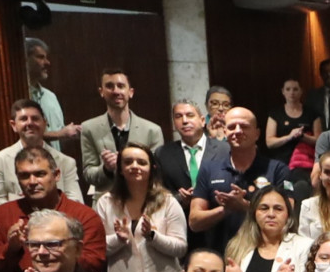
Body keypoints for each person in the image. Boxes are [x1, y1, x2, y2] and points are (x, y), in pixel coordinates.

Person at [0, 146, 108, 272]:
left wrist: (60, 249)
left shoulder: (83, 215)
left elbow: (94, 265)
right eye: (24, 176)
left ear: (57, 175)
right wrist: (10, 249)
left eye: (40, 174)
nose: (32, 182)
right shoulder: (4, 214)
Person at [188, 108, 291, 254]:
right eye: (231, 127)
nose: (237, 131)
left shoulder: (277, 169)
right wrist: (225, 209)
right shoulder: (209, 169)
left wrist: (244, 207)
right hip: (219, 257)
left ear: (257, 134)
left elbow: (288, 217)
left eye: (244, 126)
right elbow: (194, 222)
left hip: (264, 256)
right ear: (225, 132)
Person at [98, 144, 190, 272]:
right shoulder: (105, 203)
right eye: (128, 162)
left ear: (152, 168)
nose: (135, 166)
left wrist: (153, 236)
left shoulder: (168, 202)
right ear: (120, 169)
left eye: (141, 162)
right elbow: (98, 247)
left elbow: (181, 248)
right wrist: (118, 239)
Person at [78, 69, 165, 197]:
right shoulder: (89, 128)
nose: (116, 91)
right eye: (109, 86)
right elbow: (88, 175)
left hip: (143, 201)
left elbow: (157, 173)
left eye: (121, 86)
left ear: (131, 92)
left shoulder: (152, 130)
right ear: (101, 92)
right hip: (106, 203)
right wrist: (106, 169)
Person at [0, 98, 84, 209]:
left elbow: (76, 202)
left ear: (45, 123)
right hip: (17, 223)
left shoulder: (66, 162)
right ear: (13, 125)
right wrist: (23, 208)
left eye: (35, 118)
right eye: (23, 119)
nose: (29, 123)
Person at [222, 187, 308, 272]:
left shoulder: (304, 246)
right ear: (254, 213)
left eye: (278, 209)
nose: (271, 214)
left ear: (287, 215)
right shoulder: (237, 247)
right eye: (264, 208)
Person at [155, 100, 227, 227]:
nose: (184, 121)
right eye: (178, 116)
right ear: (174, 123)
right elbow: (157, 192)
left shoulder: (224, 150)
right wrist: (179, 198)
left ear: (202, 120)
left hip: (219, 222)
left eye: (190, 115)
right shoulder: (163, 153)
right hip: (180, 224)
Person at [264, 76, 319, 190]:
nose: (292, 93)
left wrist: (302, 137)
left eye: (295, 89)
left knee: (301, 190)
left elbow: (319, 140)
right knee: (285, 191)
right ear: (283, 92)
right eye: (288, 89)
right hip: (281, 163)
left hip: (304, 164)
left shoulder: (312, 113)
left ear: (301, 91)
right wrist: (289, 137)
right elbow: (269, 142)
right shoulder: (276, 113)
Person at [23, 38, 75, 147]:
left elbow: (59, 136)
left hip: (54, 162)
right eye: (41, 57)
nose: (47, 62)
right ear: (25, 59)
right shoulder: (17, 97)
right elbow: (24, 134)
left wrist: (71, 133)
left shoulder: (51, 97)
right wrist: (60, 134)